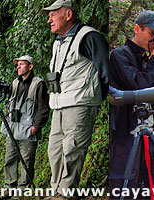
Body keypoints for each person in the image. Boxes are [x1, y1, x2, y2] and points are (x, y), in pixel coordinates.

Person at [41, 0, 109, 198]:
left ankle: (66, 193)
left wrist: (95, 98)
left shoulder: (89, 37)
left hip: (80, 103)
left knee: (72, 150)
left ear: (68, 15)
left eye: (53, 14)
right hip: (59, 103)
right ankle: (56, 191)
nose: (49, 20)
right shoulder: (58, 42)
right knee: (54, 150)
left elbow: (105, 71)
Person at [108, 10, 154, 198]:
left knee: (150, 187)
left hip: (150, 132)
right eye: (153, 34)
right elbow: (139, 87)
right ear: (137, 29)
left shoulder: (150, 58)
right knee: (125, 186)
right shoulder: (120, 55)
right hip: (125, 133)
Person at [0, 55, 49, 197]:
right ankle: (9, 187)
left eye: (22, 64)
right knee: (9, 158)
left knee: (26, 162)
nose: (18, 67)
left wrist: (36, 127)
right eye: (18, 64)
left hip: (28, 129)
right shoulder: (15, 83)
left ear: (30, 66)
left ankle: (22, 190)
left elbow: (43, 108)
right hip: (13, 127)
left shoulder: (38, 84)